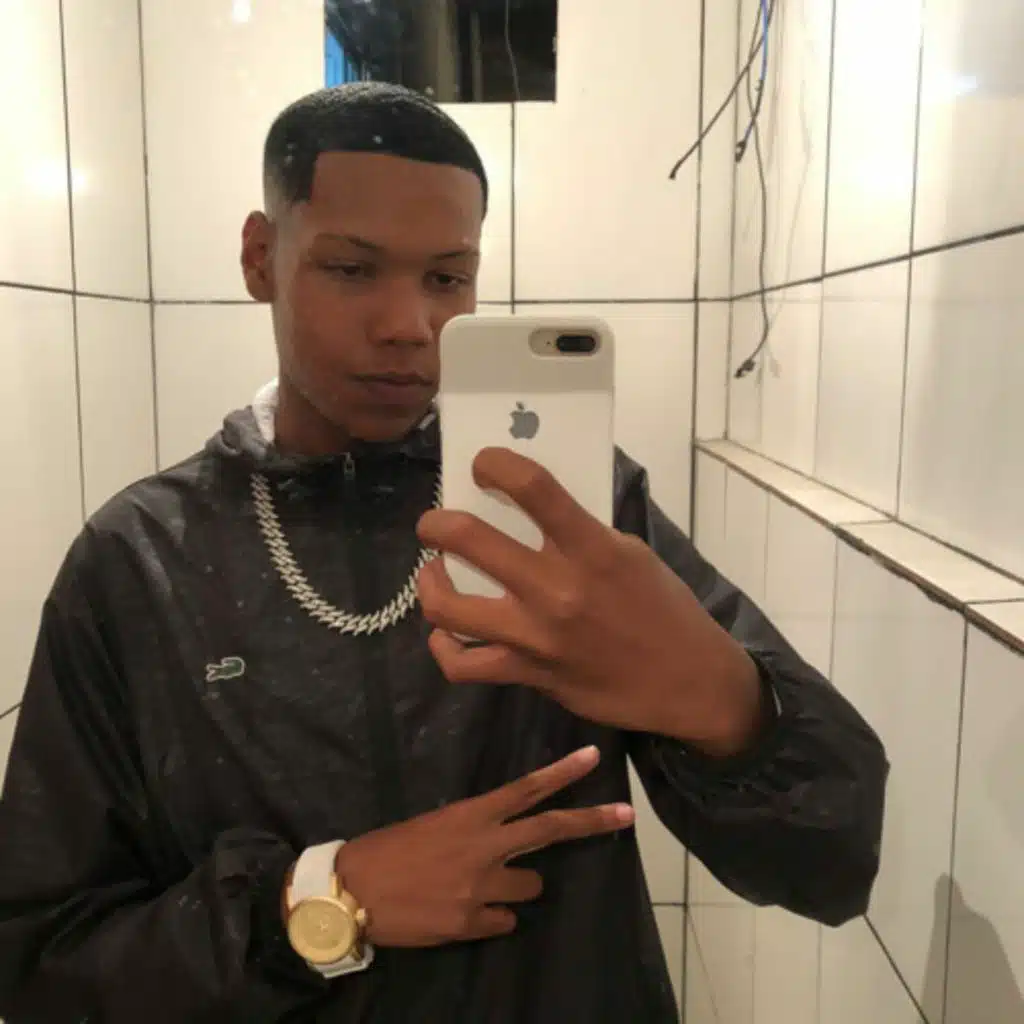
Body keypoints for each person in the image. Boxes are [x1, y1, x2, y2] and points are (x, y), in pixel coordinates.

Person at [0, 83, 888, 1024]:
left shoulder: (570, 514)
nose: (409, 326)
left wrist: (724, 704)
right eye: (352, 269)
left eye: (447, 278)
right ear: (262, 258)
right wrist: (318, 903)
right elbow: (41, 964)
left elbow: (831, 866)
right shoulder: (140, 561)